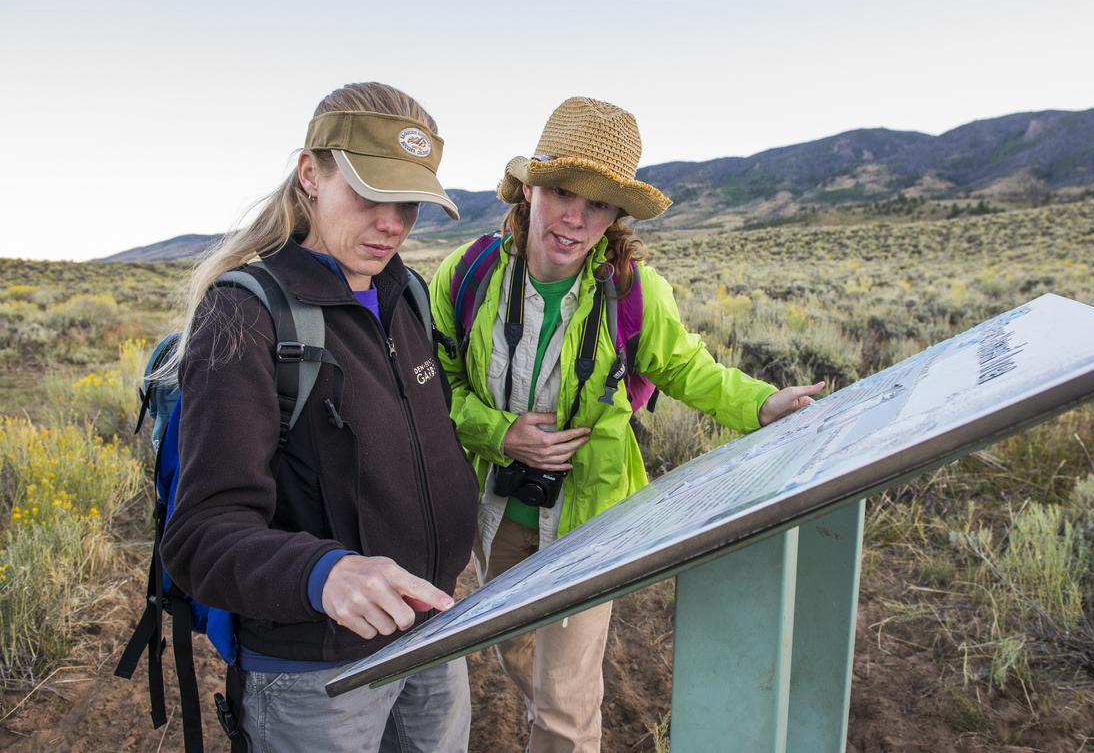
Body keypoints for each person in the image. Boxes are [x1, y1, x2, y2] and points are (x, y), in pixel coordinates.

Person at [429, 96, 824, 753]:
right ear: (530, 188)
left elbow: (692, 370)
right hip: (495, 512)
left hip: (590, 521)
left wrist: (762, 404)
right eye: (562, 192)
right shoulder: (467, 276)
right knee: (517, 654)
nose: (577, 219)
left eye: (600, 204)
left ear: (616, 215)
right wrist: (501, 432)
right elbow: (438, 386)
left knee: (562, 709)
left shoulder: (633, 291)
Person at [160, 82, 479, 753]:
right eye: (370, 194)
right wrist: (324, 572)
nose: (393, 223)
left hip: (433, 632)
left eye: (409, 203)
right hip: (318, 676)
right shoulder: (246, 316)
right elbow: (198, 535)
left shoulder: (405, 296)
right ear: (311, 173)